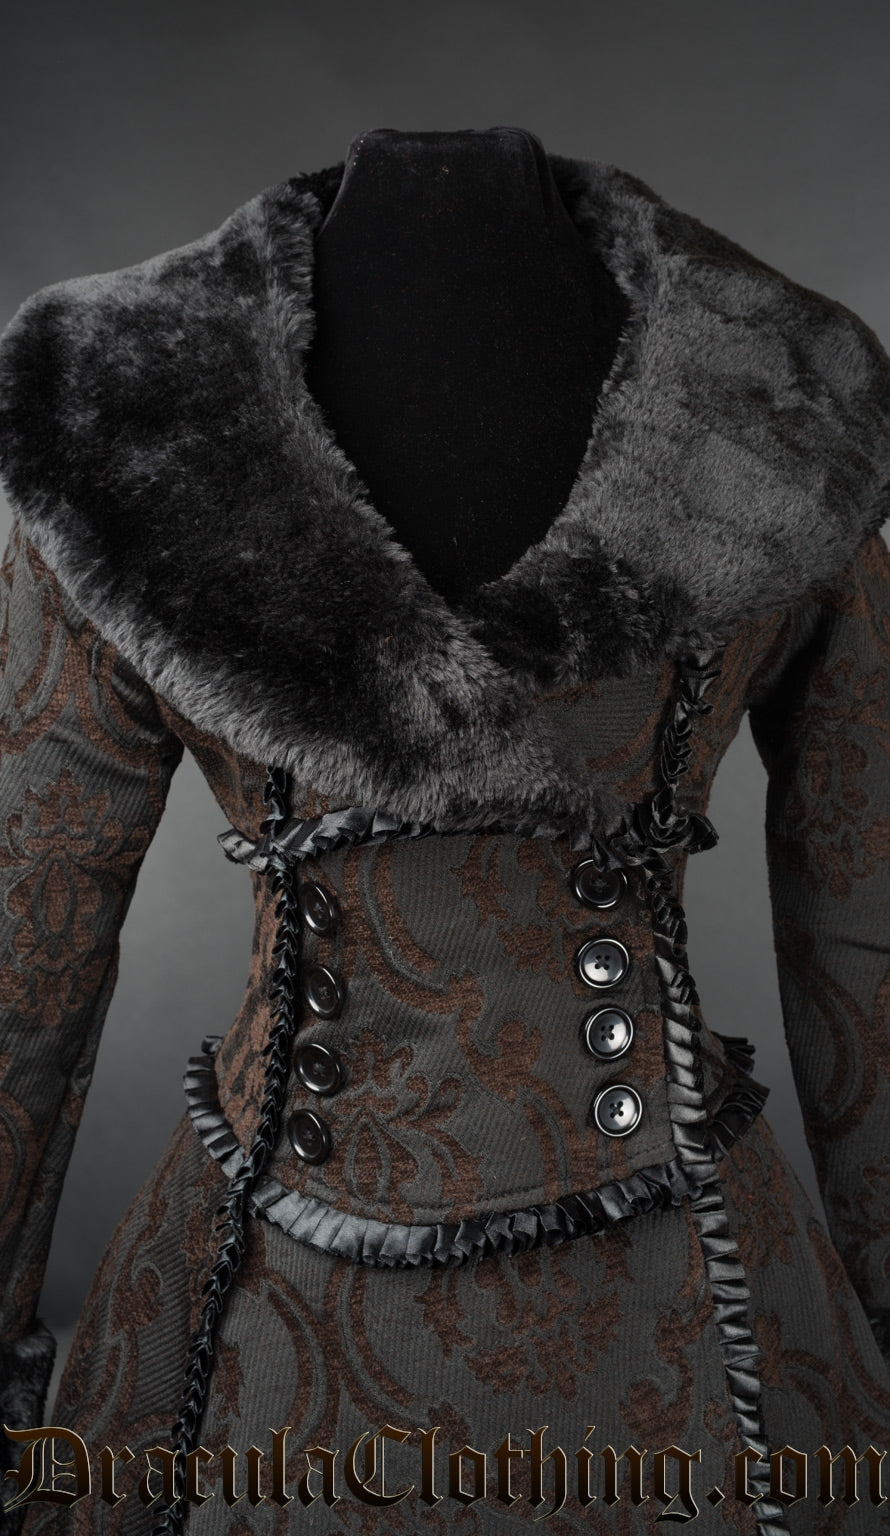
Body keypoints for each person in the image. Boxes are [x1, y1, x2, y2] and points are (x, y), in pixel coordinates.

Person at [1, 129, 889, 1536]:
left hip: (671, 1289)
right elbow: (25, 938)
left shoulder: (791, 415)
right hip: (272, 1287)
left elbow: (864, 902)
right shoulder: (110, 415)